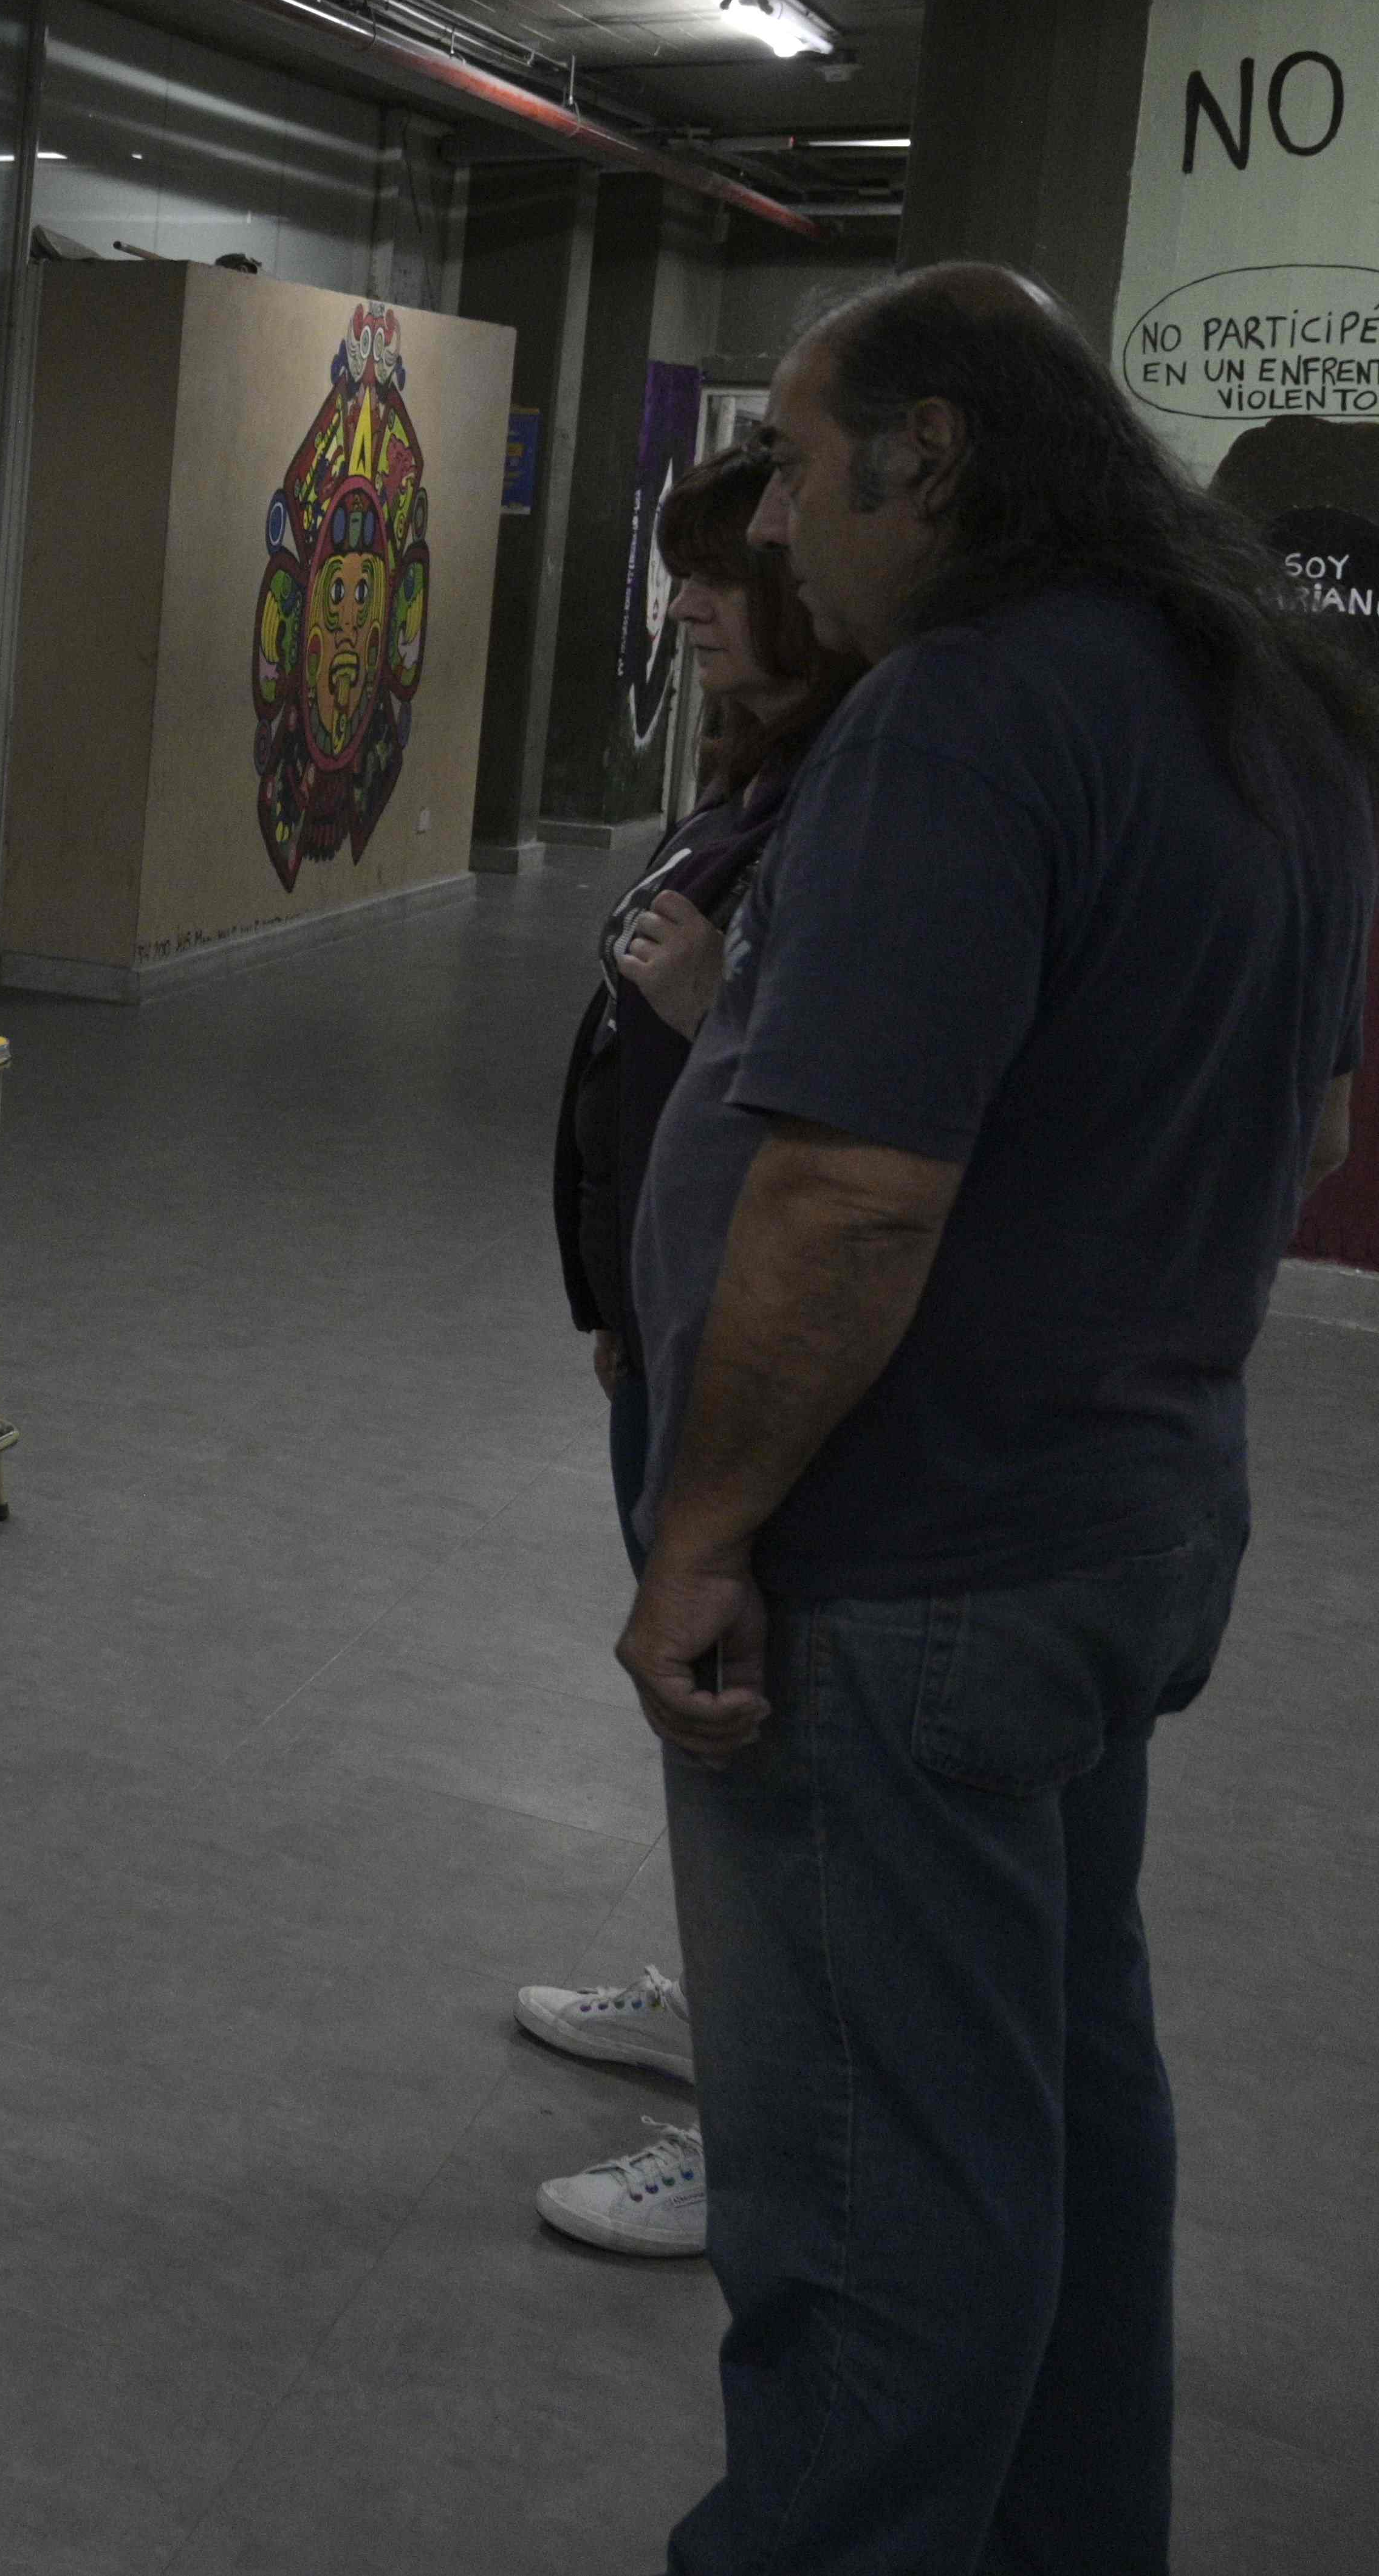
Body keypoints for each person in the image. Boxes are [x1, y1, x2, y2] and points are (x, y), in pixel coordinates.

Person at [622, 266, 1373, 2573]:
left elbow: (847, 1195)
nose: (771, 520)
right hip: (1116, 1521)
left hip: (909, 1569)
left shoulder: (957, 715)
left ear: (924, 456)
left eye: (797, 447)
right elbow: (1315, 1104)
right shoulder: (1255, 701)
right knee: (1054, 2099)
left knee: (867, 2208)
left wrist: (702, 1529)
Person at [517, 446, 865, 2261]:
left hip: (738, 1327)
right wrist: (615, 1310)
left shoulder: (870, 793)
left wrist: (706, 1004)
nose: (689, 607)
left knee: (749, 1712)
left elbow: (845, 1115)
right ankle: (719, 2012)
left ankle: (766, 2136)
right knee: (710, 1729)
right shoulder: (765, 767)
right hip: (665, 1317)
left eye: (720, 575)